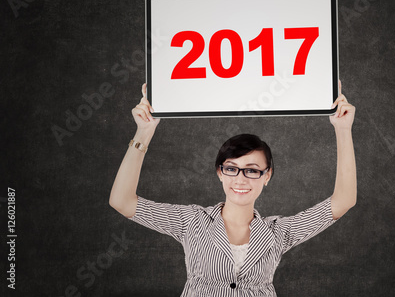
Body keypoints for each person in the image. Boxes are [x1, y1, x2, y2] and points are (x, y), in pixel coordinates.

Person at [109, 80, 356, 296]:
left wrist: (343, 129)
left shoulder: (279, 232)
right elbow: (122, 201)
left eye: (252, 170)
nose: (240, 179)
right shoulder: (191, 221)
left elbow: (344, 200)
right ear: (220, 172)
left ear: (267, 176)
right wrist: (144, 131)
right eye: (231, 168)